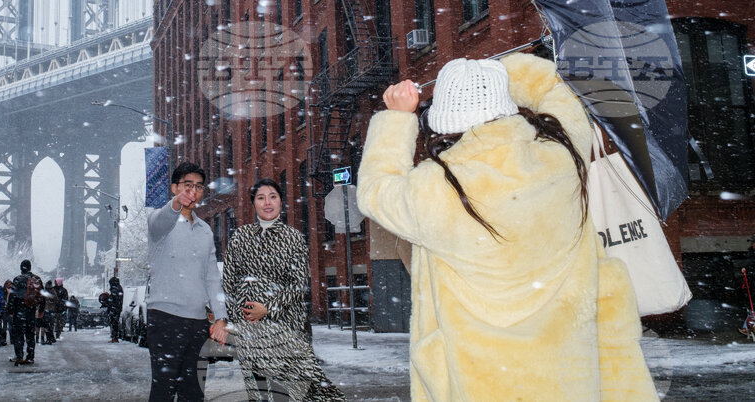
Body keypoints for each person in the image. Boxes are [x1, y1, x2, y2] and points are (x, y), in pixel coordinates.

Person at [357, 54, 658, 401]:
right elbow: (557, 91)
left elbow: (375, 190)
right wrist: (501, 72)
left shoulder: (435, 189)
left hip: (480, 380)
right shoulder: (562, 157)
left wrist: (397, 118)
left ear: (443, 120)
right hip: (569, 375)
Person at [222, 179, 345, 401]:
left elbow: (297, 284)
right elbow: (229, 282)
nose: (267, 203)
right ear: (253, 203)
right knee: (259, 392)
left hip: (287, 329)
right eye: (261, 198)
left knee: (291, 392)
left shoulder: (293, 238)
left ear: (281, 201)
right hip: (250, 333)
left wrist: (267, 308)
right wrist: (241, 316)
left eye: (273, 197)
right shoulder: (240, 237)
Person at [146, 161, 229, 402]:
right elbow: (161, 219)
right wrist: (176, 203)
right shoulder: (159, 224)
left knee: (193, 393)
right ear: (174, 188)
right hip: (165, 319)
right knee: (163, 391)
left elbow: (212, 277)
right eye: (187, 185)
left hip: (197, 324)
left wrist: (221, 318)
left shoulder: (205, 230)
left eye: (199, 186)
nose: (193, 191)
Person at [8, 259, 43, 365]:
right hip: (31, 310)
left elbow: (12, 296)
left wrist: (10, 309)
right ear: (30, 268)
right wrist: (41, 310)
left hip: (19, 310)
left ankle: (19, 356)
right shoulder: (37, 279)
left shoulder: (17, 279)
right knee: (30, 334)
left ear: (21, 268)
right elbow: (42, 296)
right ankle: (30, 357)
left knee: (18, 334)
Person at [739, 235, 755, 336]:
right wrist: (744, 268)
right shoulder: (751, 254)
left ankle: (747, 327)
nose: (753, 245)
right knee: (752, 308)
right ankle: (747, 327)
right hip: (752, 283)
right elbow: (748, 264)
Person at [107, 276, 124, 343]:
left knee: (114, 323)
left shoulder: (115, 289)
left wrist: (109, 302)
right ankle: (115, 337)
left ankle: (115, 337)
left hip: (114, 309)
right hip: (117, 308)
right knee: (115, 323)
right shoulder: (119, 288)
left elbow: (113, 299)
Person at [2, 279, 13, 344]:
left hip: (10, 309)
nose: (9, 285)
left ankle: (12, 339)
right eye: (8, 283)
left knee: (11, 326)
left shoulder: (13, 291)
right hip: (5, 309)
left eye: (10, 284)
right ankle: (4, 340)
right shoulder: (3, 291)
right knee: (5, 325)